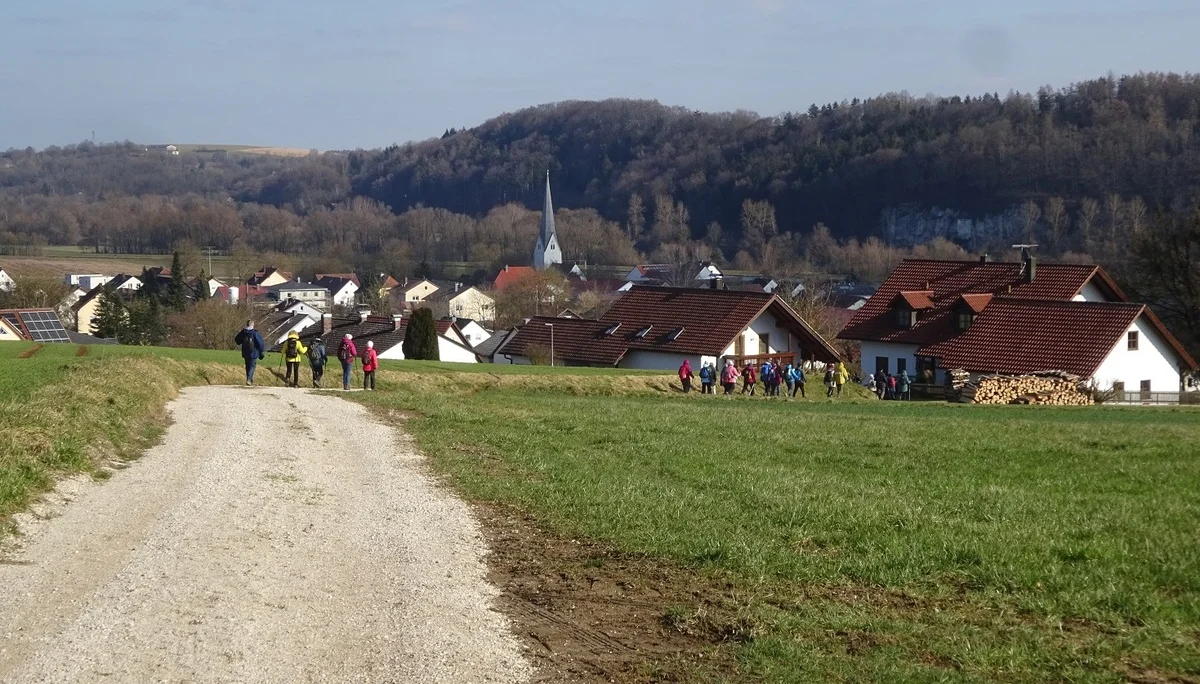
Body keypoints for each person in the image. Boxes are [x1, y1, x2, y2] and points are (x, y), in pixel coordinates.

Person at [233, 320, 265, 386]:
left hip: (245, 352)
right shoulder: (255, 333)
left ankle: (249, 379)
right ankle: (249, 379)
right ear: (252, 325)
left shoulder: (243, 332)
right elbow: (260, 343)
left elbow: (237, 340)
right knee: (252, 366)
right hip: (253, 352)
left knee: (247, 366)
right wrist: (261, 351)